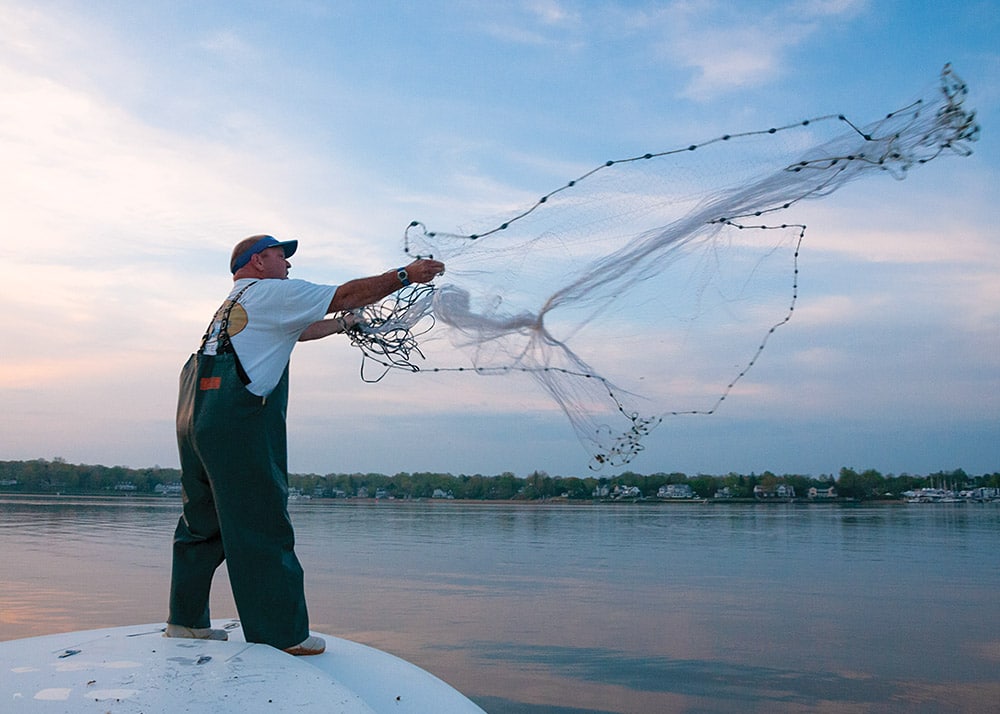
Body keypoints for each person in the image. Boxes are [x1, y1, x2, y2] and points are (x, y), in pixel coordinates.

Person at [166, 234, 444, 655]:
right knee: (260, 522)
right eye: (282, 256)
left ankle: (185, 623)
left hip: (194, 416)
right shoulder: (272, 291)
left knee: (201, 524)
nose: (289, 265)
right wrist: (406, 275)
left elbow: (295, 331)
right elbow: (345, 293)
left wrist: (343, 325)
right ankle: (281, 635)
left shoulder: (234, 304)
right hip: (234, 423)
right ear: (258, 261)